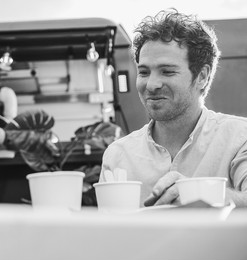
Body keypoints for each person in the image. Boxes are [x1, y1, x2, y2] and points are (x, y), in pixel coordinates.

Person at [100, 8, 247, 207]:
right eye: (144, 72)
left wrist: (199, 193)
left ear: (202, 76)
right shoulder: (117, 155)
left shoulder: (239, 138)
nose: (151, 85)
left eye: (167, 72)